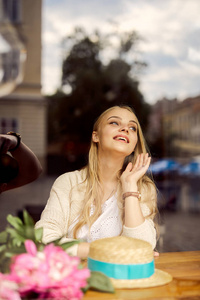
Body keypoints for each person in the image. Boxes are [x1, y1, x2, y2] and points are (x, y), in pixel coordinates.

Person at [35, 106, 158, 258]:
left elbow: (142, 247)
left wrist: (130, 186)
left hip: (122, 280)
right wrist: (110, 251)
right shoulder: (68, 182)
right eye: (114, 123)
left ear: (134, 145)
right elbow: (42, 239)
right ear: (96, 136)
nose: (125, 129)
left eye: (132, 128)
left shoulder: (143, 188)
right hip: (74, 277)